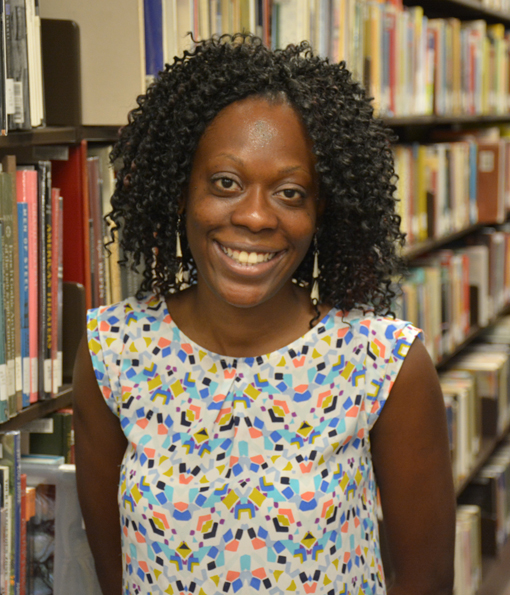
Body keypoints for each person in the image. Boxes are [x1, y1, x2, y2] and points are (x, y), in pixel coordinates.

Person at [73, 34, 456, 595]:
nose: (255, 217)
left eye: (290, 192)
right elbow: (117, 577)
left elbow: (426, 581)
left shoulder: (384, 363)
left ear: (322, 211)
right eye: (226, 183)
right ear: (182, 191)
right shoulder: (113, 353)